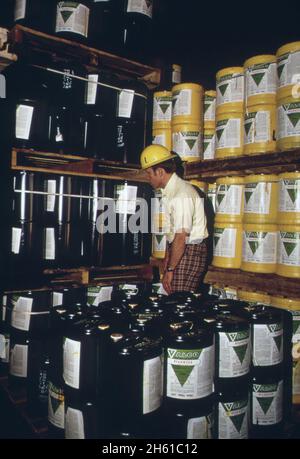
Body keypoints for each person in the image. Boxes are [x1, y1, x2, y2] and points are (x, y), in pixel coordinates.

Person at [140, 144, 209, 295]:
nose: (148, 178)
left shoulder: (181, 194)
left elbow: (181, 236)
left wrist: (170, 269)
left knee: (179, 300)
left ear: (160, 172)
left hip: (188, 252)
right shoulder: (170, 192)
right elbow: (172, 231)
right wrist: (167, 258)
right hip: (179, 251)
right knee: (174, 297)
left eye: (149, 173)